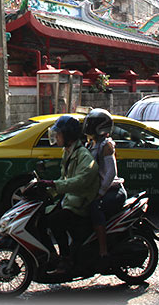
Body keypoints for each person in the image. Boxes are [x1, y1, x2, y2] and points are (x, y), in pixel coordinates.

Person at [36, 115, 99, 275]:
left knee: (55, 221)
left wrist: (54, 185)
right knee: (40, 219)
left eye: (58, 134)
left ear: (68, 136)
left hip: (80, 203)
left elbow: (79, 181)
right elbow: (64, 178)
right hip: (69, 200)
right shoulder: (68, 152)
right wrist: (47, 189)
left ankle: (66, 259)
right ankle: (51, 256)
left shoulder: (83, 155)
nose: (56, 137)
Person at [83, 108, 127, 272]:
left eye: (92, 124)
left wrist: (100, 193)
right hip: (98, 190)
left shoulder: (106, 145)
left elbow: (111, 173)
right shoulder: (90, 143)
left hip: (112, 191)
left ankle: (103, 252)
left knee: (95, 208)